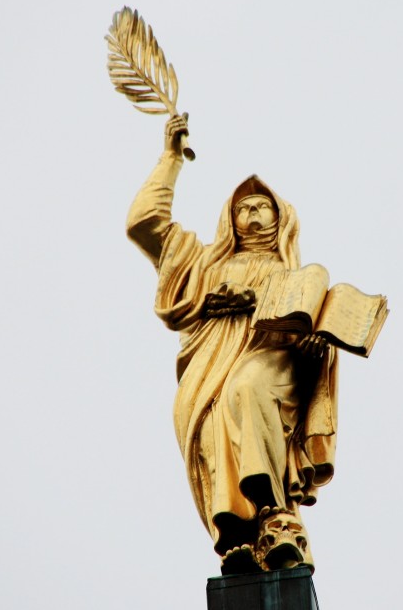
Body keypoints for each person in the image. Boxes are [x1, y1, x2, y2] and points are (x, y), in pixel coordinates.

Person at [126, 115, 339, 574]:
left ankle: (278, 518)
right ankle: (241, 535)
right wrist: (171, 159)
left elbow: (316, 327)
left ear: (281, 218)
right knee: (215, 430)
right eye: (243, 208)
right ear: (230, 217)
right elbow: (143, 223)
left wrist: (316, 342)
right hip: (206, 372)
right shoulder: (200, 264)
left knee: (248, 389)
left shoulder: (298, 275)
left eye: (263, 206)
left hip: (270, 357)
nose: (253, 213)